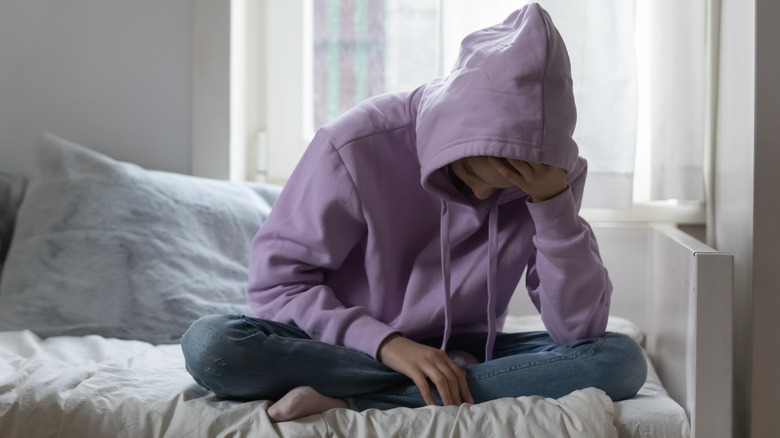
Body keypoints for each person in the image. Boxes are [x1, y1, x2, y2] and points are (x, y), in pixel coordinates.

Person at [181, 3, 647, 422]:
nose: (483, 195)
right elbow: (277, 285)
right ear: (451, 139)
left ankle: (354, 401)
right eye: (468, 173)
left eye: (507, 188)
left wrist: (551, 206)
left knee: (618, 360)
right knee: (213, 347)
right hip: (335, 347)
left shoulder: (551, 179)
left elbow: (578, 331)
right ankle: (408, 383)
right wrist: (388, 346)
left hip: (457, 354)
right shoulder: (355, 145)